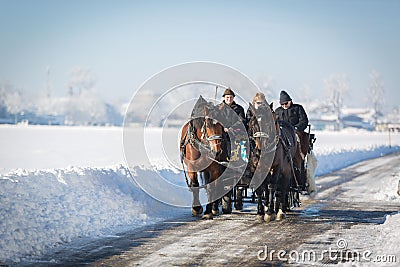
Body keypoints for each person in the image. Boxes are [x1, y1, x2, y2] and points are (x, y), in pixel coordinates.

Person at [275, 90, 310, 191]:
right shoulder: (277, 111)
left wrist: (296, 128)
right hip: (283, 133)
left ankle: (298, 155)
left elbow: (304, 120)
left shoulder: (298, 108)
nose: (285, 105)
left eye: (286, 103)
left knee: (297, 139)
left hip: (296, 132)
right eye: (282, 104)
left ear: (290, 101)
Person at [218, 88, 246, 211]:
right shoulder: (219, 109)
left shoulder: (239, 109)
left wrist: (232, 128)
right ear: (224, 98)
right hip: (222, 136)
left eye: (231, 97)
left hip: (236, 136)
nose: (229, 99)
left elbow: (242, 121)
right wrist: (223, 128)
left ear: (233, 98)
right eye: (227, 97)